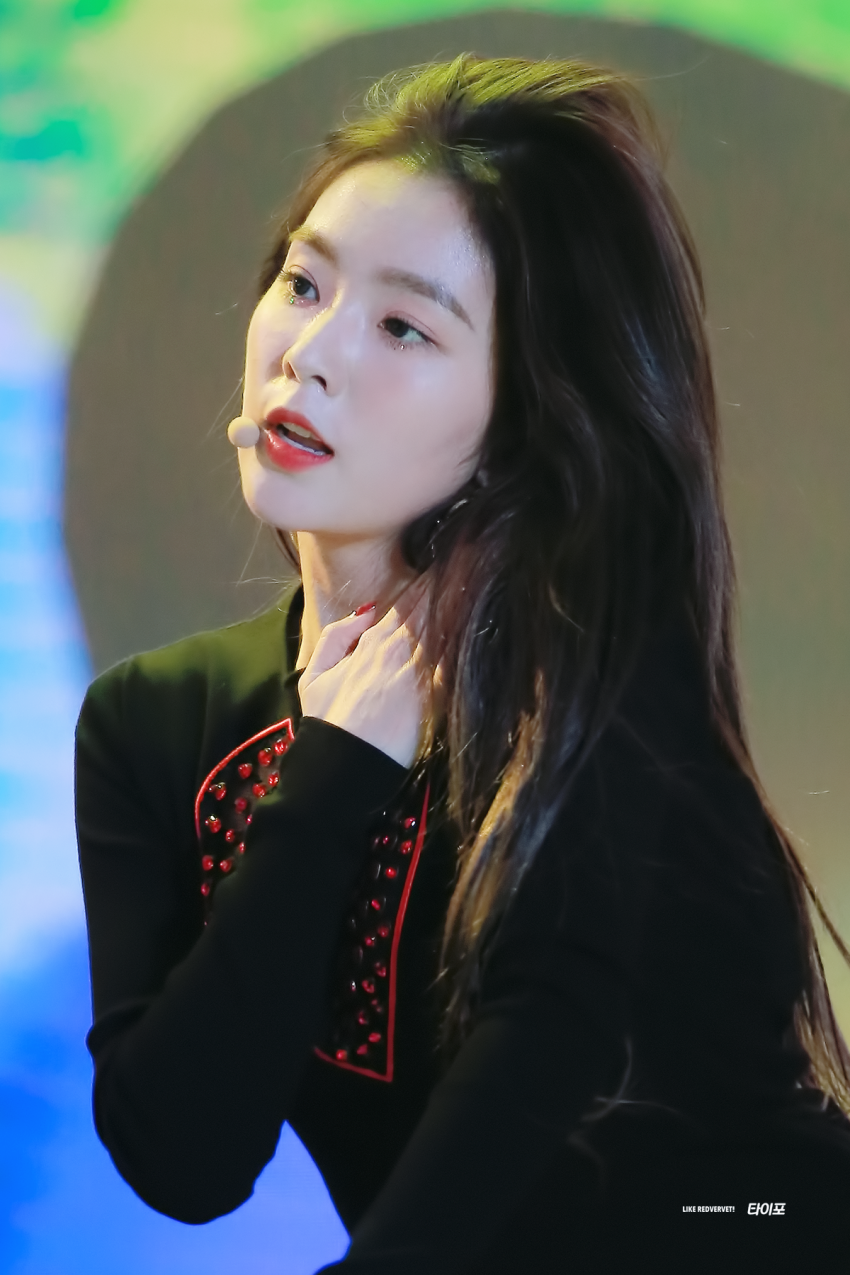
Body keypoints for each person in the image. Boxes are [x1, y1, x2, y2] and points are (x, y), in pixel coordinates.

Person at [75, 55, 850, 1271]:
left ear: (521, 413)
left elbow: (523, 1131)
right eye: (302, 282)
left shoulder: (596, 704)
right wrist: (331, 774)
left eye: (403, 325)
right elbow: (182, 1158)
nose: (309, 353)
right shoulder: (156, 722)